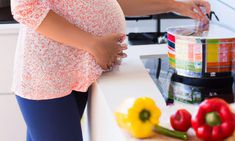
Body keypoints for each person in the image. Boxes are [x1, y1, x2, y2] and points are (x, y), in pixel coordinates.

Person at [10, 0, 210, 141]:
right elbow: (25, 7)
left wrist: (175, 4)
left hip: (73, 73)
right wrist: (94, 45)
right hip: (47, 76)